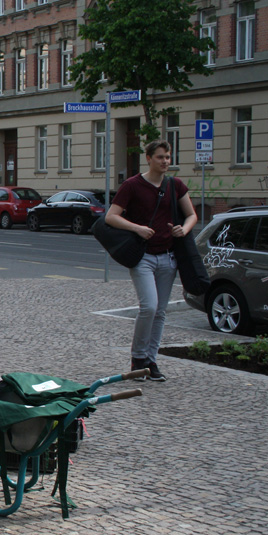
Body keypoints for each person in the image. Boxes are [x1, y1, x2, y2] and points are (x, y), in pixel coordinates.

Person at [105, 139, 197, 382]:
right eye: (160, 157)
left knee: (160, 312)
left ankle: (151, 360)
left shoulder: (175, 185)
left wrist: (184, 230)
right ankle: (138, 358)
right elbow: (111, 217)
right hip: (143, 256)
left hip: (168, 257)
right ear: (148, 158)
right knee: (149, 307)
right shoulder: (133, 185)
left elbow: (191, 215)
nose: (165, 161)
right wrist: (137, 228)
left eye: (168, 157)